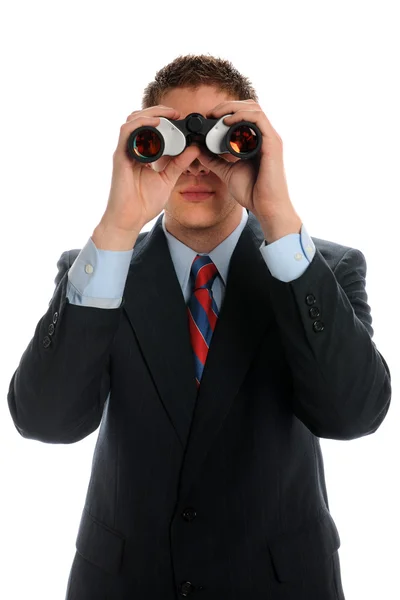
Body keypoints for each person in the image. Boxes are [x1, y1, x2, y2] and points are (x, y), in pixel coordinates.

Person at [7, 54, 391, 600]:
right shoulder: (97, 272)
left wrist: (278, 216)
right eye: (170, 138)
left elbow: (353, 414)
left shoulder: (324, 270)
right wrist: (118, 226)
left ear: (253, 143)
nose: (194, 162)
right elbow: (46, 420)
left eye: (220, 137)